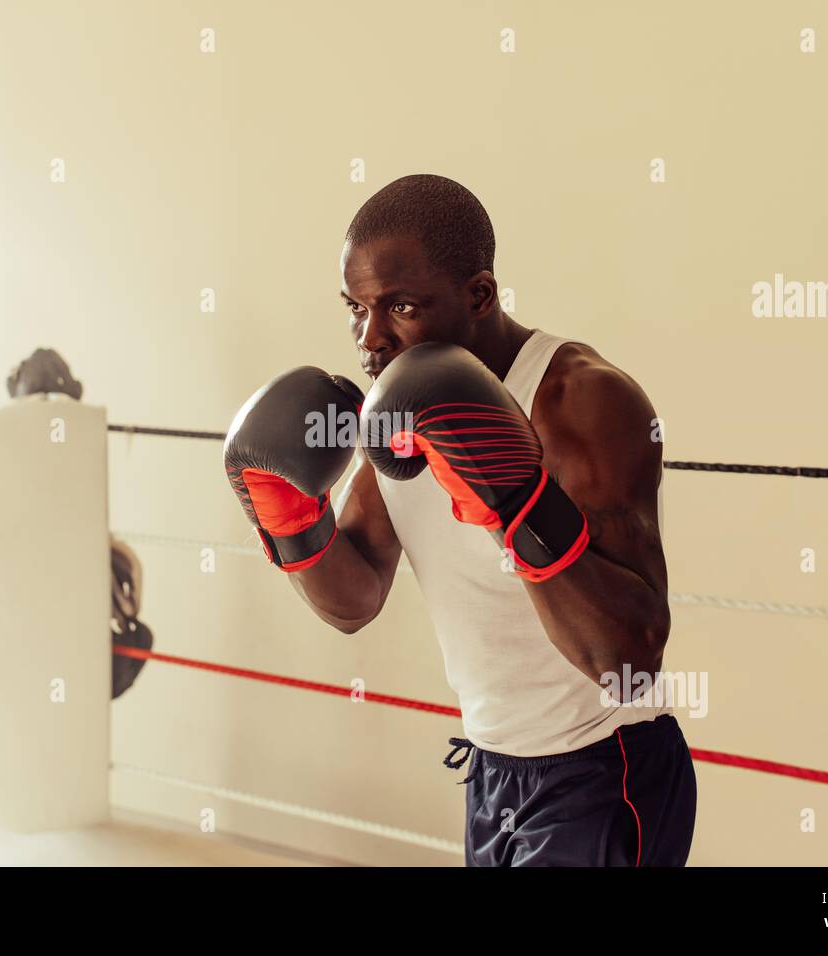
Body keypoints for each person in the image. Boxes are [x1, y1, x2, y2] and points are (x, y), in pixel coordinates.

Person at [224, 174, 695, 866]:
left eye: (400, 307)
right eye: (355, 308)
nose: (370, 338)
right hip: (495, 772)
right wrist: (291, 520)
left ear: (479, 294)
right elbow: (354, 599)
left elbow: (630, 657)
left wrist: (515, 502)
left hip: (605, 769)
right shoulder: (404, 414)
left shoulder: (580, 400)